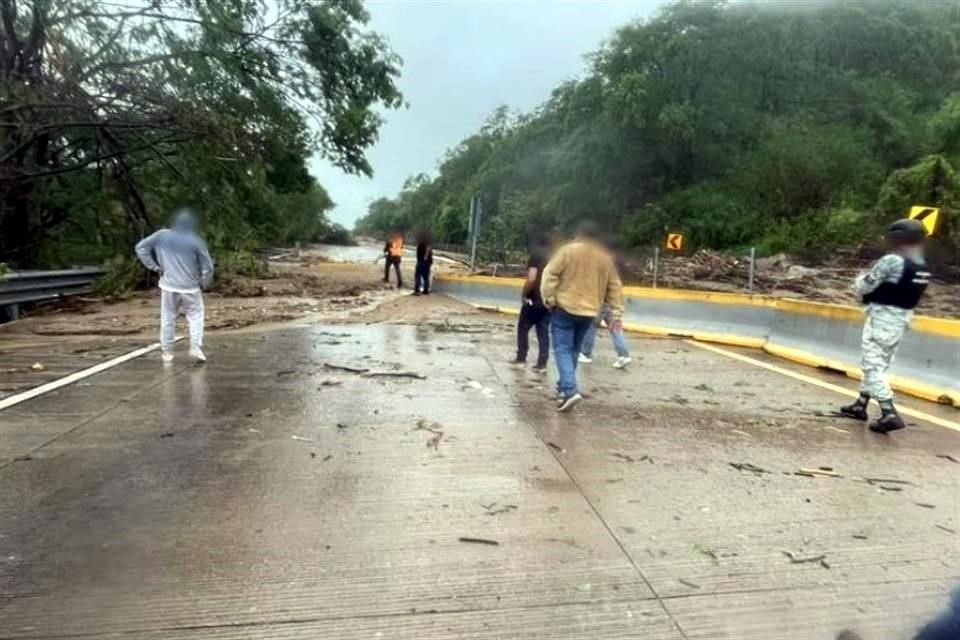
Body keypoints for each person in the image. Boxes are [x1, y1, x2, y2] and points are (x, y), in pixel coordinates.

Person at [839, 218, 930, 434]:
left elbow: (864, 286)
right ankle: (861, 403)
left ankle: (889, 412)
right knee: (879, 363)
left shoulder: (892, 261)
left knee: (872, 365)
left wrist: (859, 279)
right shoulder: (921, 265)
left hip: (882, 317)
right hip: (901, 319)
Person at [541, 221, 624, 412]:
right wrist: (617, 311)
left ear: (579, 234)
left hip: (565, 307)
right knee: (574, 350)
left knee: (562, 349)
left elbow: (550, 274)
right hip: (589, 312)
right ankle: (563, 389)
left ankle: (570, 390)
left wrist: (549, 299)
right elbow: (614, 286)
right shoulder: (604, 257)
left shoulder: (567, 251)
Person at [135, 208, 214, 363]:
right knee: (196, 316)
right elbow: (208, 266)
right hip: (190, 287)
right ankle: (195, 347)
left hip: (168, 285)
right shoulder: (195, 240)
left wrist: (154, 267)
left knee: (168, 318)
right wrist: (205, 282)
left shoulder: (161, 235)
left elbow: (141, 248)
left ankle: (167, 353)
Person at [510, 232, 551, 372]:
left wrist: (524, 294)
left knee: (523, 327)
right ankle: (542, 363)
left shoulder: (536, 256)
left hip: (534, 299)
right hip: (548, 300)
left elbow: (532, 278)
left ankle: (521, 358)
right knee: (543, 331)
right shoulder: (555, 257)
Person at [579, 302, 632, 369]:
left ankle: (585, 353)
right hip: (614, 305)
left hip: (599, 303)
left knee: (591, 325)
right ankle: (624, 356)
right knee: (616, 330)